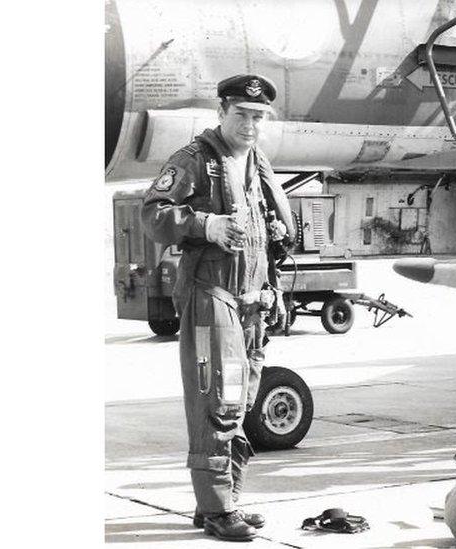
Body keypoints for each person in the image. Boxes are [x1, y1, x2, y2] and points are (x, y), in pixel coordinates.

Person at [141, 74, 296, 542]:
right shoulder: (195, 160)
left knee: (242, 399)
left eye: (258, 117)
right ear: (222, 113)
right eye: (241, 115)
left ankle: (222, 500)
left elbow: (266, 236)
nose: (250, 124)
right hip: (212, 296)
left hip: (252, 301)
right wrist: (204, 225)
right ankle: (217, 511)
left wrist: (275, 291)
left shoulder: (255, 163)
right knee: (218, 400)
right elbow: (152, 213)